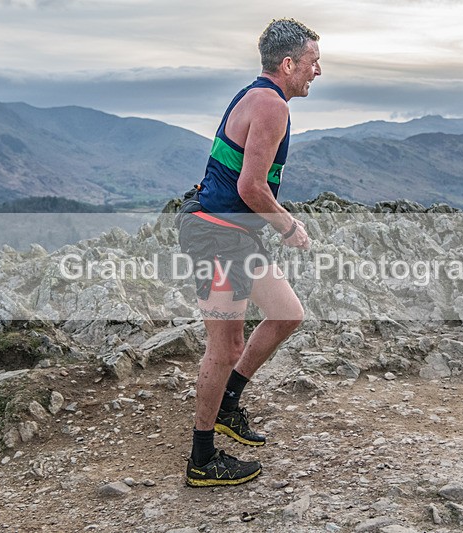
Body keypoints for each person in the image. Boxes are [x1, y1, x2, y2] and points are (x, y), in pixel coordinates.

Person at [176, 18, 321, 487]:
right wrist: (289, 227)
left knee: (286, 313)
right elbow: (252, 186)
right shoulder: (271, 105)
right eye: (312, 63)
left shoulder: (258, 95)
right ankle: (202, 459)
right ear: (288, 63)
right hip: (217, 235)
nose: (317, 72)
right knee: (225, 346)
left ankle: (228, 405)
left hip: (234, 234)